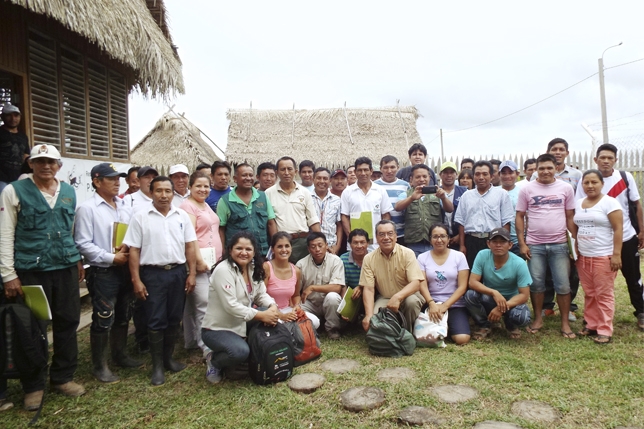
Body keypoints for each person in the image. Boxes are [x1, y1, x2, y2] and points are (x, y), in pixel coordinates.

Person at [0, 144, 86, 408]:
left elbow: (69, 228)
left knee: (68, 322)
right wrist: (8, 275)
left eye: (51, 161)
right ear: (31, 164)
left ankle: (62, 377)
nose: (46, 166)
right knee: (32, 327)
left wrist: (78, 259)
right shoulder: (14, 191)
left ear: (59, 165)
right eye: (40, 161)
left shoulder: (69, 191)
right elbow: (5, 233)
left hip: (65, 268)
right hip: (31, 271)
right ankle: (33, 385)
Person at [123, 176, 197, 386]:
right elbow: (134, 250)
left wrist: (191, 273)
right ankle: (156, 367)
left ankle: (168, 359)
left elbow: (190, 246)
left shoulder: (181, 216)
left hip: (177, 273)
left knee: (174, 317)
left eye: (167, 191)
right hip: (152, 275)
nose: (163, 195)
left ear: (173, 193)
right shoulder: (140, 217)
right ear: (151, 193)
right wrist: (136, 280)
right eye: (159, 191)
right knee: (155, 319)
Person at [75, 163, 142, 384]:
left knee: (124, 313)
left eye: (118, 179)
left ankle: (120, 355)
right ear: (97, 181)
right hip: (103, 270)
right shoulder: (88, 208)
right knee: (104, 316)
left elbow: (132, 233)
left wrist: (127, 252)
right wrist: (111, 257)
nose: (117, 182)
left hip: (124, 268)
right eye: (111, 178)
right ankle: (99, 366)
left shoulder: (124, 206)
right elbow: (83, 243)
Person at [576, 143, 644, 330]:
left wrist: (642, 230)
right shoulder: (586, 180)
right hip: (599, 244)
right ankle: (594, 319)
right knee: (595, 284)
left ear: (615, 160)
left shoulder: (624, 177)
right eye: (602, 157)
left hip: (625, 237)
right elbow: (580, 210)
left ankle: (641, 311)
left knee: (633, 277)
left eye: (610, 158)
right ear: (595, 159)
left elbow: (637, 204)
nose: (606, 161)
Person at [201, 232, 280, 384]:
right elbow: (230, 306)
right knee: (240, 352)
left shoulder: (252, 268)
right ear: (230, 250)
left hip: (241, 323)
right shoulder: (223, 270)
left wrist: (273, 306)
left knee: (266, 312)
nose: (244, 253)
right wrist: (261, 315)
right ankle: (214, 361)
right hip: (217, 329)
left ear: (254, 252)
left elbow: (261, 294)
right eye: (239, 248)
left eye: (248, 249)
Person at [516, 154, 576, 338]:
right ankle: (537, 319)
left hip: (559, 244)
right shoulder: (527, 189)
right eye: (541, 168)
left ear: (556, 168)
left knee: (563, 285)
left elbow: (570, 216)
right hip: (535, 246)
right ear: (536, 170)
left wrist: (575, 242)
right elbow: (519, 216)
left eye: (549, 168)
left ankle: (565, 322)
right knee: (536, 285)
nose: (545, 171)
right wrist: (522, 243)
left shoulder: (566, 188)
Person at [531, 138, 582, 319]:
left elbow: (575, 208)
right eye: (554, 149)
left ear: (567, 153)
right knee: (542, 277)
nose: (558, 152)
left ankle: (568, 309)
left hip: (564, 233)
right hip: (538, 239)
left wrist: (574, 239)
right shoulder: (533, 180)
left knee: (568, 275)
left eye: (561, 149)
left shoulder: (576, 176)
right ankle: (546, 306)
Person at [572, 169, 623, 344]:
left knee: (604, 294)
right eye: (586, 182)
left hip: (603, 256)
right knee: (590, 293)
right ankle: (591, 325)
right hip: (584, 257)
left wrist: (616, 254)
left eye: (594, 182)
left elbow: (618, 229)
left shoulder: (610, 203)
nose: (590, 186)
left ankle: (605, 329)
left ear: (602, 184)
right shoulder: (579, 203)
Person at [180, 172, 223, 357]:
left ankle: (190, 341)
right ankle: (206, 347)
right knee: (203, 304)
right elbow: (190, 238)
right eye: (198, 186)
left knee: (193, 304)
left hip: (212, 262)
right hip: (199, 263)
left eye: (206, 186)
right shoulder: (187, 206)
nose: (203, 189)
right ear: (190, 186)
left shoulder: (204, 205)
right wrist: (197, 261)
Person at [464, 228, 532, 340]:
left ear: (510, 245)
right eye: (495, 242)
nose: (498, 245)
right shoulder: (482, 255)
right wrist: (494, 292)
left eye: (503, 242)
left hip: (512, 301)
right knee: (470, 295)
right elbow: (472, 282)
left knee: (522, 317)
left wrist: (502, 308)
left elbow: (524, 295)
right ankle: (484, 325)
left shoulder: (519, 263)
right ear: (488, 244)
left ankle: (510, 325)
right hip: (489, 299)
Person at [360, 220, 425, 332]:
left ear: (396, 236)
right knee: (375, 319)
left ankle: (408, 333)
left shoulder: (407, 253)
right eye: (382, 234)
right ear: (376, 237)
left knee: (411, 302)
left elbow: (415, 283)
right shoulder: (369, 258)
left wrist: (398, 297)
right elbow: (369, 289)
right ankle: (392, 334)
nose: (386, 237)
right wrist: (368, 315)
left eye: (390, 234)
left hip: (408, 295)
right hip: (385, 297)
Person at [122, 165, 158, 352]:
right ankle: (142, 339)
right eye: (146, 177)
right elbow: (125, 231)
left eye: (154, 177)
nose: (150, 180)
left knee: (156, 302)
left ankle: (157, 338)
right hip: (140, 258)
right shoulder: (130, 201)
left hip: (158, 258)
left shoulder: (164, 200)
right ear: (138, 180)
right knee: (141, 302)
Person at [454, 160, 514, 268]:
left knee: (493, 272)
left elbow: (506, 222)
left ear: (491, 176)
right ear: (473, 177)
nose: (481, 177)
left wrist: (503, 243)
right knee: (473, 273)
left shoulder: (501, 194)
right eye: (477, 174)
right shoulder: (466, 196)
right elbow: (461, 222)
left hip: (494, 240)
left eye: (485, 174)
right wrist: (462, 245)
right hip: (471, 241)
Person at [417, 224, 470, 345]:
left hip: (454, 303)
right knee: (425, 336)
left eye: (443, 236)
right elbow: (422, 285)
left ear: (448, 238)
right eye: (435, 237)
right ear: (430, 239)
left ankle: (449, 325)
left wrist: (446, 306)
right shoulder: (422, 258)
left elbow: (462, 287)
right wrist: (431, 304)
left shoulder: (459, 257)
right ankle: (443, 326)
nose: (439, 240)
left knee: (462, 339)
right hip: (431, 303)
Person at [265, 157, 321, 263]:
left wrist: (321, 241)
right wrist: (276, 243)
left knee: (303, 274)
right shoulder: (269, 193)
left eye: (289, 169)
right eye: (283, 169)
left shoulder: (304, 193)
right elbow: (270, 222)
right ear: (277, 172)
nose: (286, 173)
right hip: (282, 243)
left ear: (295, 172)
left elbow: (312, 219)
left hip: (302, 242)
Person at [218, 163, 277, 257]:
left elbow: (271, 223)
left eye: (250, 175)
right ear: (235, 178)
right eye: (244, 175)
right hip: (238, 254)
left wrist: (275, 245)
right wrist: (222, 250)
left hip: (262, 252)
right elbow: (221, 229)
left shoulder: (263, 196)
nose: (248, 178)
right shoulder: (225, 200)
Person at [395, 164, 453, 256]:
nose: (422, 179)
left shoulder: (438, 193)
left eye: (424, 176)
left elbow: (450, 209)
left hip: (435, 243)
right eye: (418, 177)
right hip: (414, 244)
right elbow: (397, 207)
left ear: (429, 178)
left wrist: (443, 198)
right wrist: (412, 198)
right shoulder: (406, 194)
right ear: (411, 179)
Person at [263, 232, 319, 327]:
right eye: (279, 246)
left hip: (286, 309)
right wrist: (281, 316)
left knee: (315, 321)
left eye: (287, 246)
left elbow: (296, 295)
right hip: (268, 311)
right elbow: (260, 296)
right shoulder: (266, 267)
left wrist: (296, 306)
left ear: (291, 248)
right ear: (273, 249)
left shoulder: (296, 270)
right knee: (277, 324)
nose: (284, 250)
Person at [296, 232, 345, 339]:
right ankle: (310, 329)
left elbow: (337, 287)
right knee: (296, 307)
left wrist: (312, 287)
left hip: (327, 303)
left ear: (326, 245)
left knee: (332, 297)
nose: (317, 249)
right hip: (310, 303)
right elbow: (296, 292)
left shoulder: (336, 261)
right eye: (313, 247)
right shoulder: (301, 264)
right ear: (308, 249)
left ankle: (333, 329)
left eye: (320, 245)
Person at [341, 157, 393, 252]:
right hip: (355, 245)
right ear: (356, 172)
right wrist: (352, 238)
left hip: (376, 244)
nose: (363, 173)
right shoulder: (347, 192)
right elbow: (344, 217)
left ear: (371, 171)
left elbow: (386, 215)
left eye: (366, 170)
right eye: (360, 170)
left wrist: (381, 237)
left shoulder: (380, 190)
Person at [374, 155, 410, 240]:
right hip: (382, 235)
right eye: (385, 168)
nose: (389, 171)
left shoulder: (405, 185)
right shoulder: (374, 186)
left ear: (398, 167)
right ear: (381, 169)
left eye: (392, 167)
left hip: (402, 233)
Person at [311, 167, 343, 254]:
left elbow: (339, 225)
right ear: (313, 180)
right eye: (318, 178)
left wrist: (337, 246)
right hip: (313, 247)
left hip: (332, 246)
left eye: (325, 178)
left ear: (330, 181)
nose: (322, 181)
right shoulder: (307, 198)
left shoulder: (337, 200)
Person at [0, 105, 29, 194]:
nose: (13, 118)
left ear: (20, 117)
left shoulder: (23, 136)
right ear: (2, 117)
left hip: (18, 179)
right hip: (1, 178)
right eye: (9, 115)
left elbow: (26, 156)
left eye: (16, 115)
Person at [439, 161, 467, 251]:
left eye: (451, 172)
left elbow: (470, 215)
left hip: (460, 238)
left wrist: (460, 235)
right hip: (440, 238)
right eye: (446, 173)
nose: (449, 175)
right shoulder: (435, 192)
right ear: (440, 175)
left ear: (457, 175)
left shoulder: (464, 192)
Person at [499, 160, 521, 254]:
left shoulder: (523, 192)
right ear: (499, 174)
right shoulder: (493, 192)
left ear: (517, 174)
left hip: (519, 241)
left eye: (511, 173)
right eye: (504, 173)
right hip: (498, 241)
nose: (507, 176)